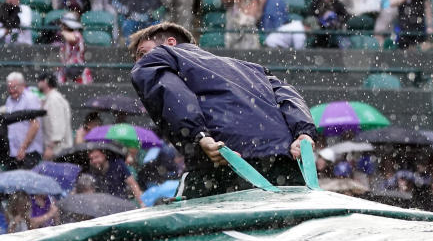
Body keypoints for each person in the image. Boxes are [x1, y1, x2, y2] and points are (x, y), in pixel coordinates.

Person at [129, 22, 315, 198]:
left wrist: (199, 136)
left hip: (226, 161)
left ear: (171, 42)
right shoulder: (253, 68)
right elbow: (288, 96)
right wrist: (304, 134)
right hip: (286, 165)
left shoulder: (160, 57)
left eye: (142, 53)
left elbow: (170, 90)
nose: (138, 62)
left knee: (188, 226)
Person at [4, 72, 44, 169]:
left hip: (29, 152)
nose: (11, 90)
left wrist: (23, 147)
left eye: (14, 87)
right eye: (9, 88)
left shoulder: (30, 99)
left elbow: (35, 125)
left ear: (22, 86)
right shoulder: (9, 100)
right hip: (14, 152)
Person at [38, 73, 72, 157]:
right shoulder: (50, 98)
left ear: (45, 82)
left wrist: (50, 148)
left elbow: (58, 126)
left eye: (39, 81)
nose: (37, 84)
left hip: (58, 151)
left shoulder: (54, 99)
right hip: (57, 150)